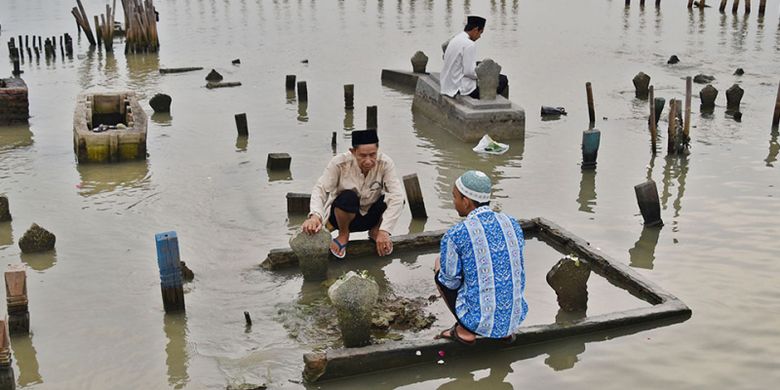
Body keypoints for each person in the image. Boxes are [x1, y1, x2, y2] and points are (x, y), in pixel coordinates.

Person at [434, 170, 527, 344]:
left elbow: (449, 282)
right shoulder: (512, 223)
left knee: (440, 266)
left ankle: (466, 330)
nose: (453, 202)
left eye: (455, 197)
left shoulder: (455, 234)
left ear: (466, 201)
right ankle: (503, 330)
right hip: (514, 317)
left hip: (477, 321)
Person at [302, 129, 403, 258]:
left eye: (373, 155)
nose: (368, 161)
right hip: (343, 217)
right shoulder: (339, 163)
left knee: (395, 198)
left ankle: (376, 232)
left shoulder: (385, 163)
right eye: (362, 156)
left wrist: (385, 230)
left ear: (378, 151)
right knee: (348, 197)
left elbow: (397, 196)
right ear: (353, 152)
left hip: (371, 216)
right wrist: (315, 216)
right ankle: (344, 235)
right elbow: (320, 189)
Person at [440, 15, 509, 99]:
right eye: (480, 33)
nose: (479, 36)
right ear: (476, 30)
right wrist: (483, 75)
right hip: (460, 88)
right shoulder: (469, 44)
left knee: (479, 64)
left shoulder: (456, 38)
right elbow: (469, 72)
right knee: (503, 79)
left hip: (447, 84)